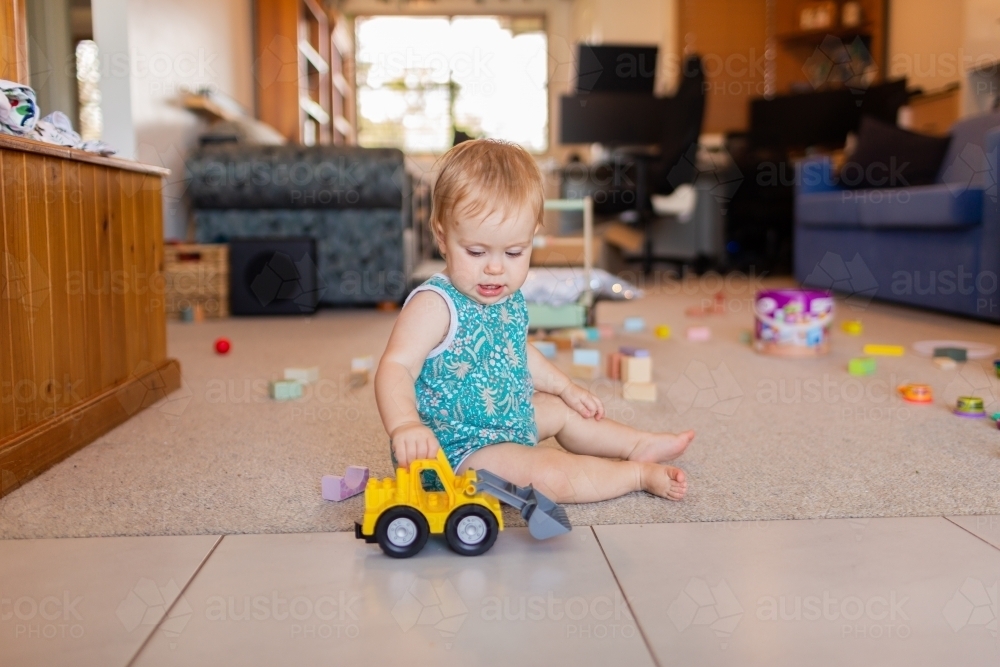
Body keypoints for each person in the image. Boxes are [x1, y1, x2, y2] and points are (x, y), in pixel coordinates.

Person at [374, 139, 693, 503]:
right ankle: (635, 474)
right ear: (443, 238)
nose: (495, 268)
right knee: (547, 474)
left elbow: (517, 352)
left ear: (531, 239)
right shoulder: (435, 304)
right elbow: (396, 366)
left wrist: (564, 387)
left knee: (561, 410)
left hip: (508, 419)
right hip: (456, 450)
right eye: (476, 252)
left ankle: (639, 444)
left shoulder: (506, 296)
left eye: (514, 252)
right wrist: (405, 425)